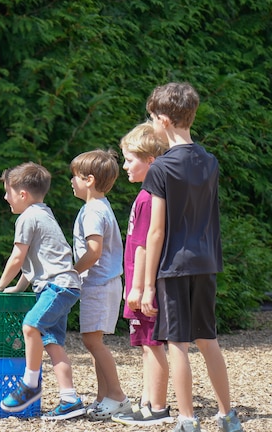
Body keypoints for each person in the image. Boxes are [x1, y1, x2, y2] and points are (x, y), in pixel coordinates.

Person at [138, 82, 243, 432]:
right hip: (207, 261)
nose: (151, 123)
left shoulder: (161, 169)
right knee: (208, 340)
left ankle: (187, 419)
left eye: (152, 118)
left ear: (165, 120)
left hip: (173, 265)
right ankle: (228, 416)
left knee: (178, 344)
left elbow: (156, 232)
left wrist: (148, 286)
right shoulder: (210, 162)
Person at [0, 162, 86, 421]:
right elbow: (35, 262)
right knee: (53, 344)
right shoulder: (42, 213)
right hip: (62, 286)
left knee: (30, 326)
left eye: (8, 192)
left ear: (22, 194)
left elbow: (18, 256)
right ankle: (70, 399)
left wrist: (0, 285)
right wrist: (18, 288)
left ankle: (30, 384)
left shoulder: (27, 217)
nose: (6, 197)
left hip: (57, 286)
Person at [112, 123, 173, 426]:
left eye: (130, 159)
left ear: (150, 160)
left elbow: (146, 247)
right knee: (144, 345)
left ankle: (158, 407)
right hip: (135, 283)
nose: (124, 166)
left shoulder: (150, 198)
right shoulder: (144, 195)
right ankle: (146, 401)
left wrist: (137, 287)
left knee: (153, 343)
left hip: (143, 285)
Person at [69, 148, 132, 421]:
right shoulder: (100, 207)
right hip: (106, 283)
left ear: (90, 179)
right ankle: (104, 397)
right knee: (95, 341)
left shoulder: (92, 210)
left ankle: (118, 396)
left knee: (91, 341)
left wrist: (71, 272)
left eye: (75, 177)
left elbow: (94, 251)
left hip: (98, 283)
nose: (72, 182)